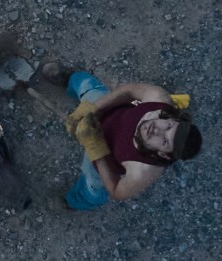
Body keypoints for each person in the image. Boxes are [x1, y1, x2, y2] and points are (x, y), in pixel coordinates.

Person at [61, 72, 202, 208]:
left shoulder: (141, 171)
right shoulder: (157, 98)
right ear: (173, 119)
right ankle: (69, 79)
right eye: (168, 126)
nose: (157, 131)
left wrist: (94, 147)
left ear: (164, 154)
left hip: (99, 158)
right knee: (84, 83)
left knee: (92, 187)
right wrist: (91, 109)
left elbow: (116, 191)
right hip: (106, 112)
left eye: (165, 141)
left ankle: (75, 202)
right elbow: (128, 92)